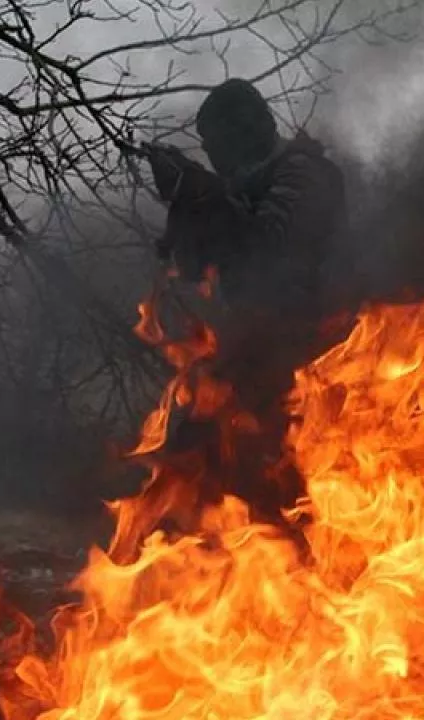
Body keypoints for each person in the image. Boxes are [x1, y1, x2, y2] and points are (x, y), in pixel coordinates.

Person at [139, 78, 347, 538]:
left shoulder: (305, 173)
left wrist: (201, 192)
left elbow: (269, 252)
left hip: (308, 357)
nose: (217, 156)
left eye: (222, 142)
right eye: (209, 147)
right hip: (253, 350)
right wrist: (187, 209)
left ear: (255, 129)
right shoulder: (246, 186)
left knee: (283, 499)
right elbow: (202, 269)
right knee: (188, 472)